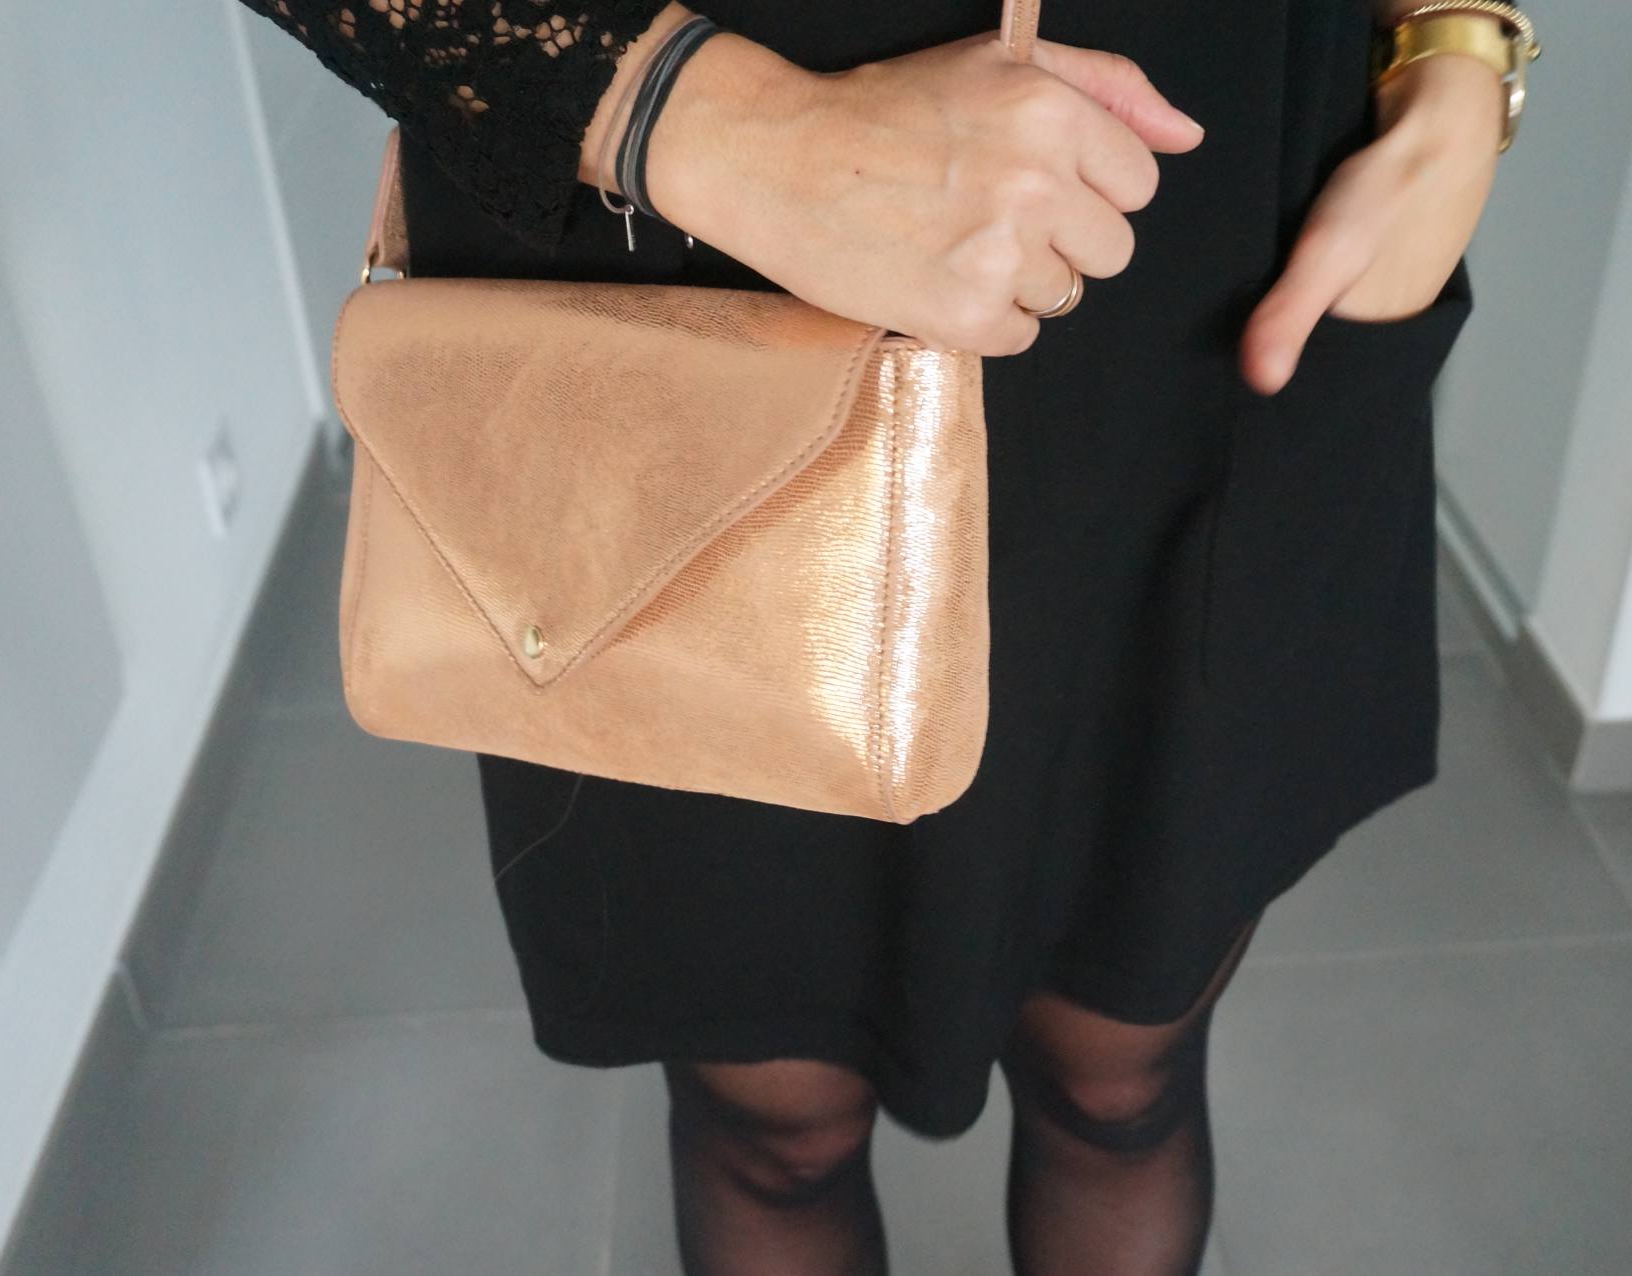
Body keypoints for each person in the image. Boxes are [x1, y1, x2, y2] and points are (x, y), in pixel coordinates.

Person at [237, 1, 1521, 1272]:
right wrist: (696, 117)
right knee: (772, 1127)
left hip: (1194, 251)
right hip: (672, 255)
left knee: (1122, 1078)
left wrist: (1455, 47)